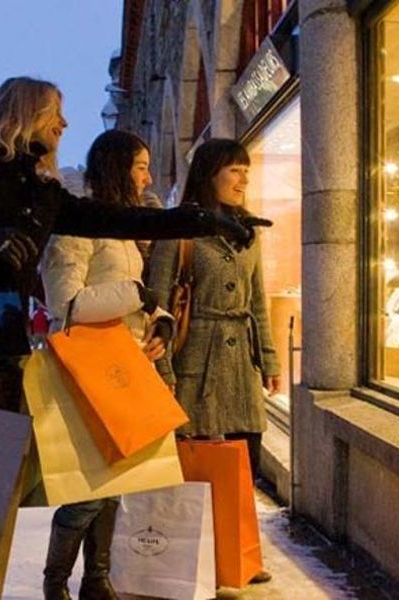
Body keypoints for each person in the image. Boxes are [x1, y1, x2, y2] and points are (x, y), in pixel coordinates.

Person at [0, 77, 268, 415]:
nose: (65, 123)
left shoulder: (42, 191)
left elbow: (123, 220)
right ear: (27, 112)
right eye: (56, 111)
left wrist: (205, 220)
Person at [38, 129, 168, 600]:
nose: (148, 177)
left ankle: (97, 579)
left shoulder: (121, 228)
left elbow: (130, 292)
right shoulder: (76, 225)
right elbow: (65, 303)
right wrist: (140, 297)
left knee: (116, 485)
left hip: (126, 366)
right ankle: (56, 583)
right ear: (116, 168)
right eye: (140, 166)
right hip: (88, 372)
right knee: (88, 488)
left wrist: (160, 320)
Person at [147, 138, 280, 585]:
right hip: (194, 363)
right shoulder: (180, 229)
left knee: (245, 461)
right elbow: (159, 307)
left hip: (240, 361)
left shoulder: (248, 230)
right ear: (209, 176)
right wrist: (164, 372)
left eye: (246, 171)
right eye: (234, 171)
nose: (244, 179)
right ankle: (200, 559)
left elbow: (257, 300)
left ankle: (238, 556)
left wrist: (269, 359)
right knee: (198, 463)